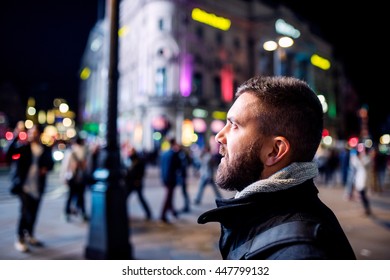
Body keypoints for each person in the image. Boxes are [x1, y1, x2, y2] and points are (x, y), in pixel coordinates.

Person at [197, 75, 356, 260]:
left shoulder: (299, 255)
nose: (219, 136)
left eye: (234, 125)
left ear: (274, 151)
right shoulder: (261, 216)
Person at [6, 123, 54, 252]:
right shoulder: (24, 147)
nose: (33, 134)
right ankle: (20, 237)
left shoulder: (44, 148)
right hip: (24, 186)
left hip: (38, 186)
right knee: (25, 212)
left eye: (35, 132)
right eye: (31, 132)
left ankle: (30, 234)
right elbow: (9, 154)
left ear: (39, 134)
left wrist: (45, 168)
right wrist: (15, 136)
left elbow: (51, 163)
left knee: (33, 212)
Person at [60, 136, 89, 222]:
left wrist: (63, 177)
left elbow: (65, 166)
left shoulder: (71, 152)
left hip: (72, 177)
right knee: (81, 196)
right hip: (80, 177)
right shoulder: (84, 152)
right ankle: (82, 212)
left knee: (70, 196)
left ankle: (67, 212)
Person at [123, 145, 152, 220]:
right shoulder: (129, 160)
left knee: (141, 198)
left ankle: (148, 213)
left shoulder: (138, 160)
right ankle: (123, 213)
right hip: (130, 183)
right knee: (125, 198)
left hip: (136, 183)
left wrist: (138, 180)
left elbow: (141, 172)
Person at [159, 138, 182, 223]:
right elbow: (178, 166)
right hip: (171, 178)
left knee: (170, 195)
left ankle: (173, 212)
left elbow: (161, 166)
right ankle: (162, 215)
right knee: (168, 196)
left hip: (165, 177)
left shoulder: (164, 153)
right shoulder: (174, 154)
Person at [349, 146, 372, 216]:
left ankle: (367, 209)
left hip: (364, 180)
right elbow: (356, 165)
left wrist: (357, 159)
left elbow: (362, 164)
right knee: (362, 195)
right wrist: (354, 159)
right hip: (360, 179)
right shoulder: (362, 158)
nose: (362, 153)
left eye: (363, 151)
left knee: (363, 195)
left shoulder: (367, 158)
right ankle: (366, 209)